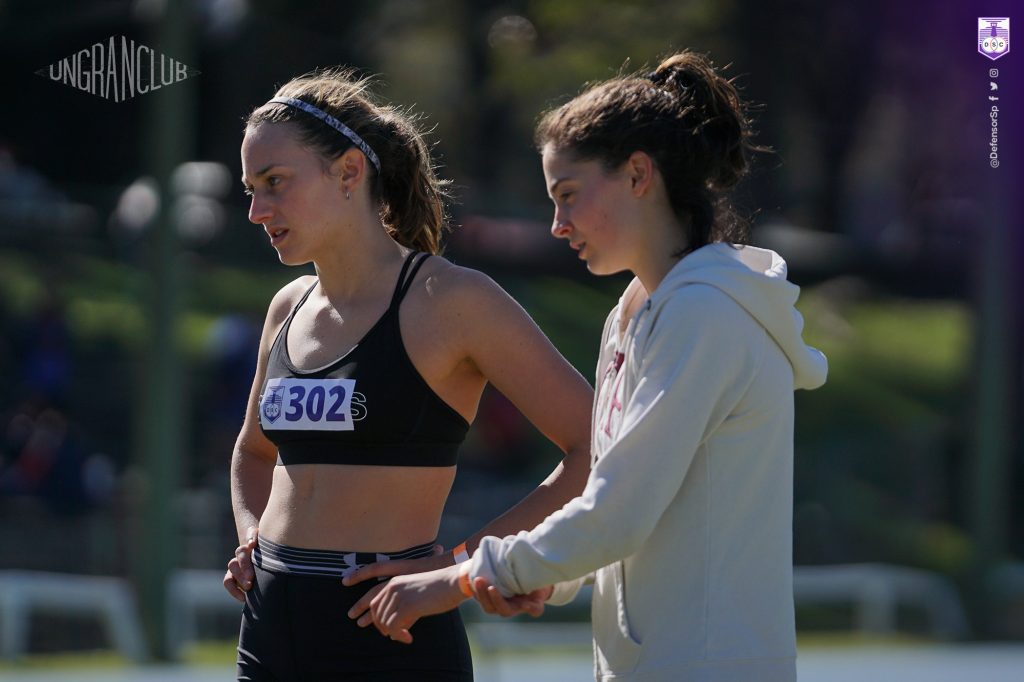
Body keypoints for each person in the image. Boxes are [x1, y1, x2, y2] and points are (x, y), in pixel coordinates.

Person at [350, 51, 829, 682]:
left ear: (638, 175)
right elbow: (633, 510)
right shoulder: (637, 313)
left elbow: (620, 511)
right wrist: (548, 576)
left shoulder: (705, 315)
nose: (557, 225)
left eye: (569, 196)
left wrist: (462, 576)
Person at [226, 67, 594, 681]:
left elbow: (595, 447)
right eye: (250, 189)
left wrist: (461, 566)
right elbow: (253, 452)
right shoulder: (287, 307)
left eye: (275, 182)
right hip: (269, 625)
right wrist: (250, 537)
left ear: (349, 172)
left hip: (389, 629)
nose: (256, 210)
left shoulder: (451, 301)